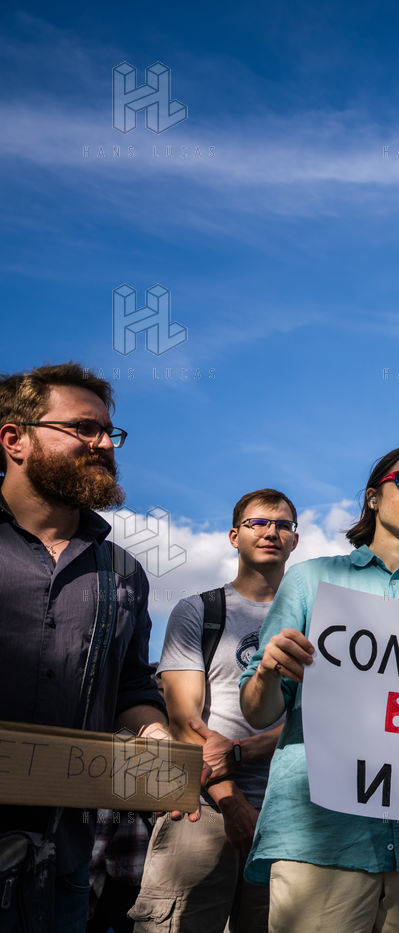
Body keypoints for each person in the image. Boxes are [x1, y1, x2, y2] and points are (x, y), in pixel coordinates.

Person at [237, 446, 399, 933]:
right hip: (324, 840)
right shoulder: (311, 581)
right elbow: (258, 713)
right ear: (373, 498)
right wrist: (268, 671)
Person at [0, 363, 172, 933]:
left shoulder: (122, 571)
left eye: (108, 432)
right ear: (15, 439)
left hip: (65, 856)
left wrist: (155, 738)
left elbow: (131, 686)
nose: (104, 444)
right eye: (83, 429)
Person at [130, 488, 300, 932]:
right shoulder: (199, 611)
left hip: (287, 818)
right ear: (234, 536)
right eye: (258, 523)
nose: (271, 532)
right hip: (199, 807)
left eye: (283, 525)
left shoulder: (314, 620)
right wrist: (231, 802)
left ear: (295, 540)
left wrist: (242, 751)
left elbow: (320, 721)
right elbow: (184, 722)